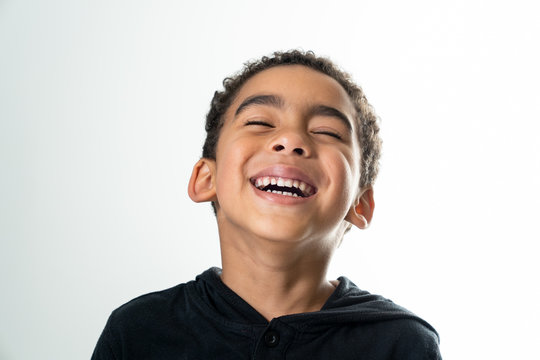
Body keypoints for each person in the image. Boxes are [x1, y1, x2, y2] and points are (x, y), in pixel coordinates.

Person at [91, 50, 441, 359]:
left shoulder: (403, 344)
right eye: (259, 123)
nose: (291, 140)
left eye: (328, 132)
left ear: (360, 204)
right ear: (206, 179)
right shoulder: (137, 332)